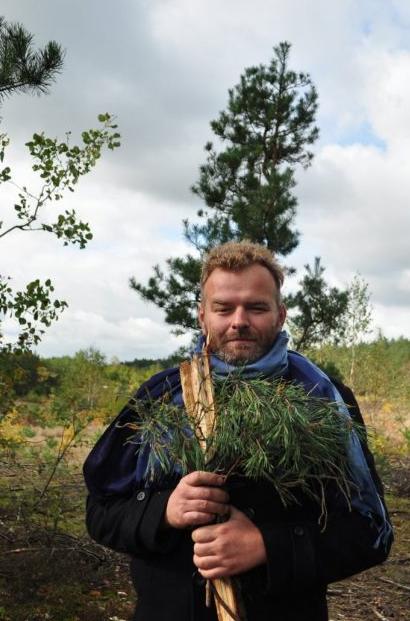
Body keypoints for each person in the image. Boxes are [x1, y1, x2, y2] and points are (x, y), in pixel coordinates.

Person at [83, 241, 393, 621]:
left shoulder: (323, 399)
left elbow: (369, 534)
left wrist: (268, 546)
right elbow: (101, 512)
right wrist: (164, 510)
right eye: (224, 308)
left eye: (256, 307)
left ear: (280, 316)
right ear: (202, 316)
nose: (239, 321)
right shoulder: (158, 399)